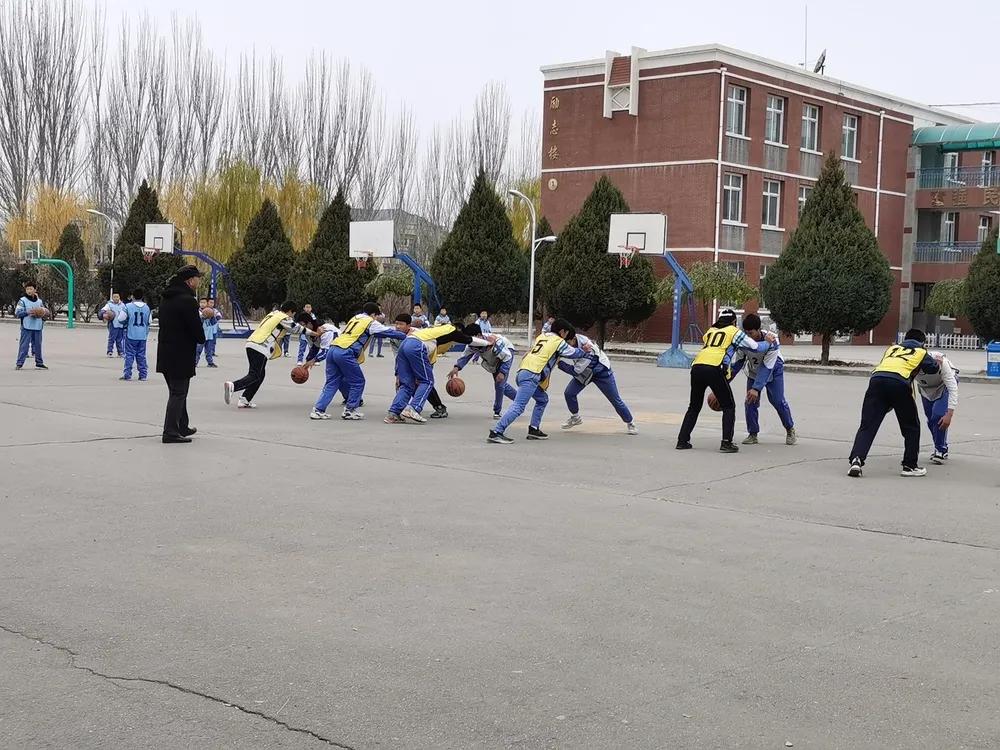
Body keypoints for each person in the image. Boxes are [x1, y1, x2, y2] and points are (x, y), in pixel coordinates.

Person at [676, 309, 776, 453]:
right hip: (714, 368)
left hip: (697, 367)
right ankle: (726, 443)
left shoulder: (710, 331)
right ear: (734, 322)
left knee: (694, 406)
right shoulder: (733, 331)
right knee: (729, 406)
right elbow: (755, 347)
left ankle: (682, 440)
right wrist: (767, 343)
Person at [847, 329, 940, 478]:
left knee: (867, 425)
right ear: (922, 342)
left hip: (876, 380)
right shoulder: (921, 352)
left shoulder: (892, 348)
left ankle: (856, 460)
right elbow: (933, 368)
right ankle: (909, 466)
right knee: (911, 427)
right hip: (900, 383)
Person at [488, 319, 590, 444]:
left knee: (542, 399)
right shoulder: (558, 342)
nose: (567, 337)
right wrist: (584, 351)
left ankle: (534, 429)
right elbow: (573, 353)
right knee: (519, 406)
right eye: (566, 333)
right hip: (532, 374)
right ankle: (497, 432)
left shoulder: (542, 336)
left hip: (523, 371)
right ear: (562, 331)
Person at [309, 302, 406, 421]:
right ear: (373, 314)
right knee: (358, 381)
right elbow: (388, 332)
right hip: (346, 352)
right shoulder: (370, 321)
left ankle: (318, 410)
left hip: (333, 348)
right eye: (376, 316)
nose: (376, 318)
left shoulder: (355, 318)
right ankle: (350, 410)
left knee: (332, 382)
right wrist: (406, 335)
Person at [386, 321, 492, 424]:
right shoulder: (451, 329)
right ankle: (413, 408)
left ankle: (393, 414)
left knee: (407, 384)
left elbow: (429, 362)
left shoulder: (433, 333)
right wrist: (488, 342)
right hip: (416, 346)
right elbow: (468, 339)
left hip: (406, 344)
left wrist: (399, 373)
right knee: (427, 381)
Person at [224, 302, 315, 409]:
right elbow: (296, 328)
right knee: (255, 375)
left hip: (252, 343)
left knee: (260, 375)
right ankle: (233, 386)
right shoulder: (284, 318)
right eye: (293, 314)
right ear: (290, 311)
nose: (292, 316)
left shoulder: (273, 314)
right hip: (261, 346)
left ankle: (245, 399)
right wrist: (314, 333)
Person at [156, 265, 205, 444]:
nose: (199, 281)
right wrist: (202, 334)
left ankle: (182, 425)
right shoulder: (188, 300)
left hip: (166, 352)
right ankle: (170, 431)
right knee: (178, 393)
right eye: (197, 278)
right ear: (190, 280)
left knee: (177, 391)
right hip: (181, 353)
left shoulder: (167, 298)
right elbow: (196, 330)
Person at [730, 314, 795, 446]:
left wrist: (756, 388)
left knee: (777, 401)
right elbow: (738, 363)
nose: (748, 336)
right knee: (750, 402)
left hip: (773, 370)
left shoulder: (772, 339)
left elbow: (767, 367)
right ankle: (753, 434)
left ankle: (790, 429)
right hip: (754, 371)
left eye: (751, 333)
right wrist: (725, 380)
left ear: (758, 330)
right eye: (746, 333)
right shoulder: (744, 341)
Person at [558, 332, 637, 435]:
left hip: (602, 372)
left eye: (568, 343)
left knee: (615, 399)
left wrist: (559, 363)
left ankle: (630, 422)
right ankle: (575, 417)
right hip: (586, 372)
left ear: (573, 339)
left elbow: (575, 371)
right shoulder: (576, 339)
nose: (568, 346)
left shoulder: (587, 348)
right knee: (569, 393)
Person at [449, 325, 517, 419]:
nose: (470, 341)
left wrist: (502, 372)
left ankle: (497, 411)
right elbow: (465, 356)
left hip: (506, 352)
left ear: (479, 335)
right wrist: (457, 367)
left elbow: (507, 357)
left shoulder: (494, 342)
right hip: (494, 358)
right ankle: (519, 400)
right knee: (501, 385)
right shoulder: (472, 344)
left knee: (500, 383)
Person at [916, 351, 959, 465]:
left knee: (938, 415)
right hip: (925, 388)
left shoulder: (941, 362)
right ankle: (941, 445)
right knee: (931, 421)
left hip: (943, 385)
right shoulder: (911, 363)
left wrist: (949, 414)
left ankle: (940, 449)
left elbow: (952, 387)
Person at [15, 282, 49, 370]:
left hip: (37, 326)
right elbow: (17, 313)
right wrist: (28, 312)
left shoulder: (39, 301)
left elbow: (44, 312)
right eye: (27, 289)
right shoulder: (22, 300)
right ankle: (19, 363)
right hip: (26, 326)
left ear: (35, 290)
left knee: (38, 345)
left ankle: (39, 362)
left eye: (31, 289)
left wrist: (44, 314)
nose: (29, 291)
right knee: (24, 345)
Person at [118, 289, 151, 381]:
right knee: (141, 355)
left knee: (129, 355)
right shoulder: (147, 308)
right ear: (142, 297)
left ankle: (127, 374)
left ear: (133, 296)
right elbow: (149, 321)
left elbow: (121, 319)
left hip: (131, 334)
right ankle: (143, 375)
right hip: (143, 335)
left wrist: (126, 322)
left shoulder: (127, 307)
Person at [195, 297, 222, 368]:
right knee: (198, 350)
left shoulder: (211, 311)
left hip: (209, 335)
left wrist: (212, 316)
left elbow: (214, 323)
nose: (203, 304)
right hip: (201, 335)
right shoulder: (198, 312)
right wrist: (203, 317)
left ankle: (210, 362)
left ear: (207, 303)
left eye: (204, 302)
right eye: (201, 302)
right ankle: (195, 362)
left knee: (209, 350)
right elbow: (197, 323)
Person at [100, 293, 127, 357]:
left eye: (117, 297)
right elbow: (103, 310)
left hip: (120, 325)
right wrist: (104, 315)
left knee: (119, 340)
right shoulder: (109, 305)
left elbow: (126, 313)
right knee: (111, 339)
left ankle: (120, 352)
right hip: (113, 324)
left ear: (119, 297)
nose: (116, 298)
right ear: (112, 298)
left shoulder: (123, 305)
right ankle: (109, 351)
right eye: (114, 297)